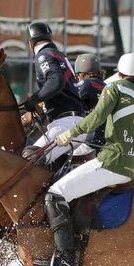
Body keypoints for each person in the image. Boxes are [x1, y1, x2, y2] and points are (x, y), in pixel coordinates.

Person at [38, 52, 134, 266]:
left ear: (119, 73)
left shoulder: (115, 89)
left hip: (109, 163)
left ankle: (66, 257)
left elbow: (95, 119)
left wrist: (68, 134)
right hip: (130, 171)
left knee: (55, 194)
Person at [24, 22, 92, 162]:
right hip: (77, 122)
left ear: (31, 44)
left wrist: (34, 99)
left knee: (29, 158)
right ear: (51, 39)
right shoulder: (58, 54)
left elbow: (56, 82)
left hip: (65, 124)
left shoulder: (43, 55)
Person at [74, 53, 107, 152]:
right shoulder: (107, 87)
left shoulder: (86, 84)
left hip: (91, 139)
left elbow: (70, 100)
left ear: (81, 74)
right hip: (106, 140)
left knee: (62, 158)